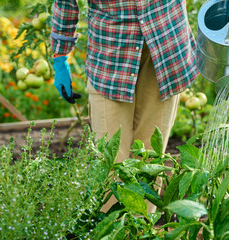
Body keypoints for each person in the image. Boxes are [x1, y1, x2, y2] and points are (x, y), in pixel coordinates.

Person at [51, 0, 198, 210]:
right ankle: (114, 228)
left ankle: (142, 228)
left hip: (166, 48)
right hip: (112, 57)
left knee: (150, 155)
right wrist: (60, 55)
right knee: (111, 161)